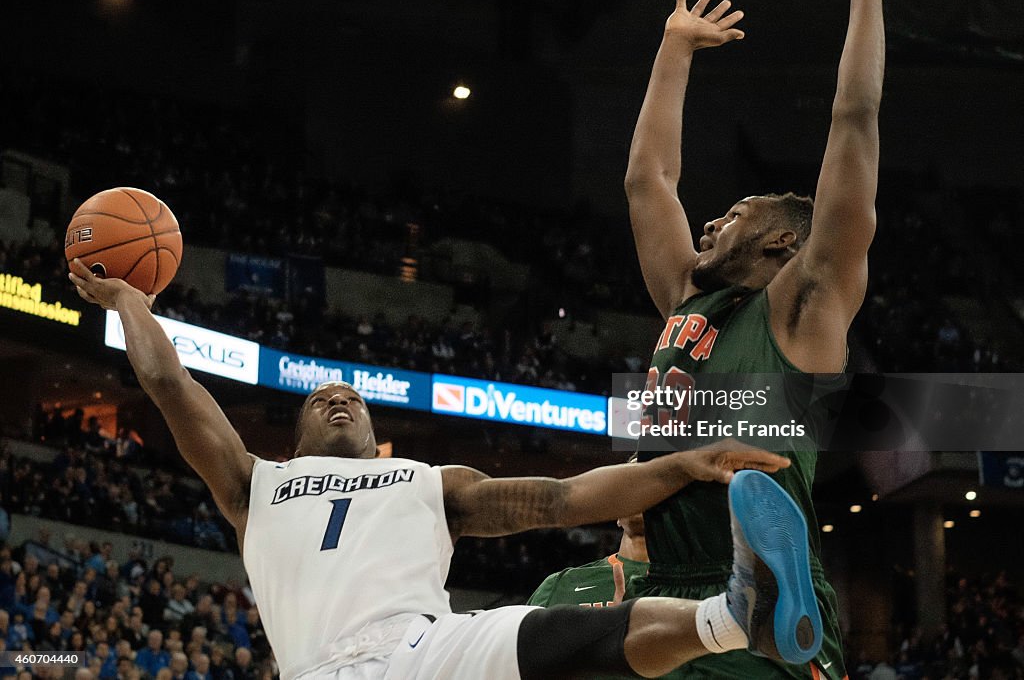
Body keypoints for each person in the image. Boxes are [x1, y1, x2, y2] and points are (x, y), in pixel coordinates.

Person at [71, 258, 818, 680]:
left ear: (373, 431)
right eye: (324, 397)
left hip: (430, 649)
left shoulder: (428, 480)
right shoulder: (251, 481)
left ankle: (739, 618)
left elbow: (562, 499)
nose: (341, 400)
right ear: (295, 430)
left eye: (354, 398)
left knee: (587, 634)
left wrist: (683, 463)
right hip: (324, 669)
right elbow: (169, 383)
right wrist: (131, 301)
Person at [622, 0, 942, 679]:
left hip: (763, 601)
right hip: (671, 592)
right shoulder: (685, 300)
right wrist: (674, 49)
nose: (708, 222)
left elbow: (853, 125)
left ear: (781, 246)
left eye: (732, 215)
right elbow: (648, 182)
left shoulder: (804, 310)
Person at [528, 511, 649, 608]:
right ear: (618, 518)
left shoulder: (668, 587)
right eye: (635, 497)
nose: (642, 499)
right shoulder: (559, 585)